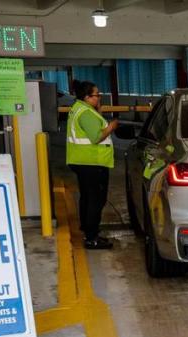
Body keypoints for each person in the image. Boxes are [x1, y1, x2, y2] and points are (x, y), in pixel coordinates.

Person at [67, 81, 118, 250]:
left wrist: (98, 109)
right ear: (87, 97)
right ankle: (92, 237)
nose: (99, 97)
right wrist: (111, 127)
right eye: (96, 95)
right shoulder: (86, 113)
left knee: (88, 198)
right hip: (92, 162)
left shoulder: (80, 108)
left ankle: (88, 229)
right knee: (96, 200)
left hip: (83, 161)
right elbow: (96, 137)